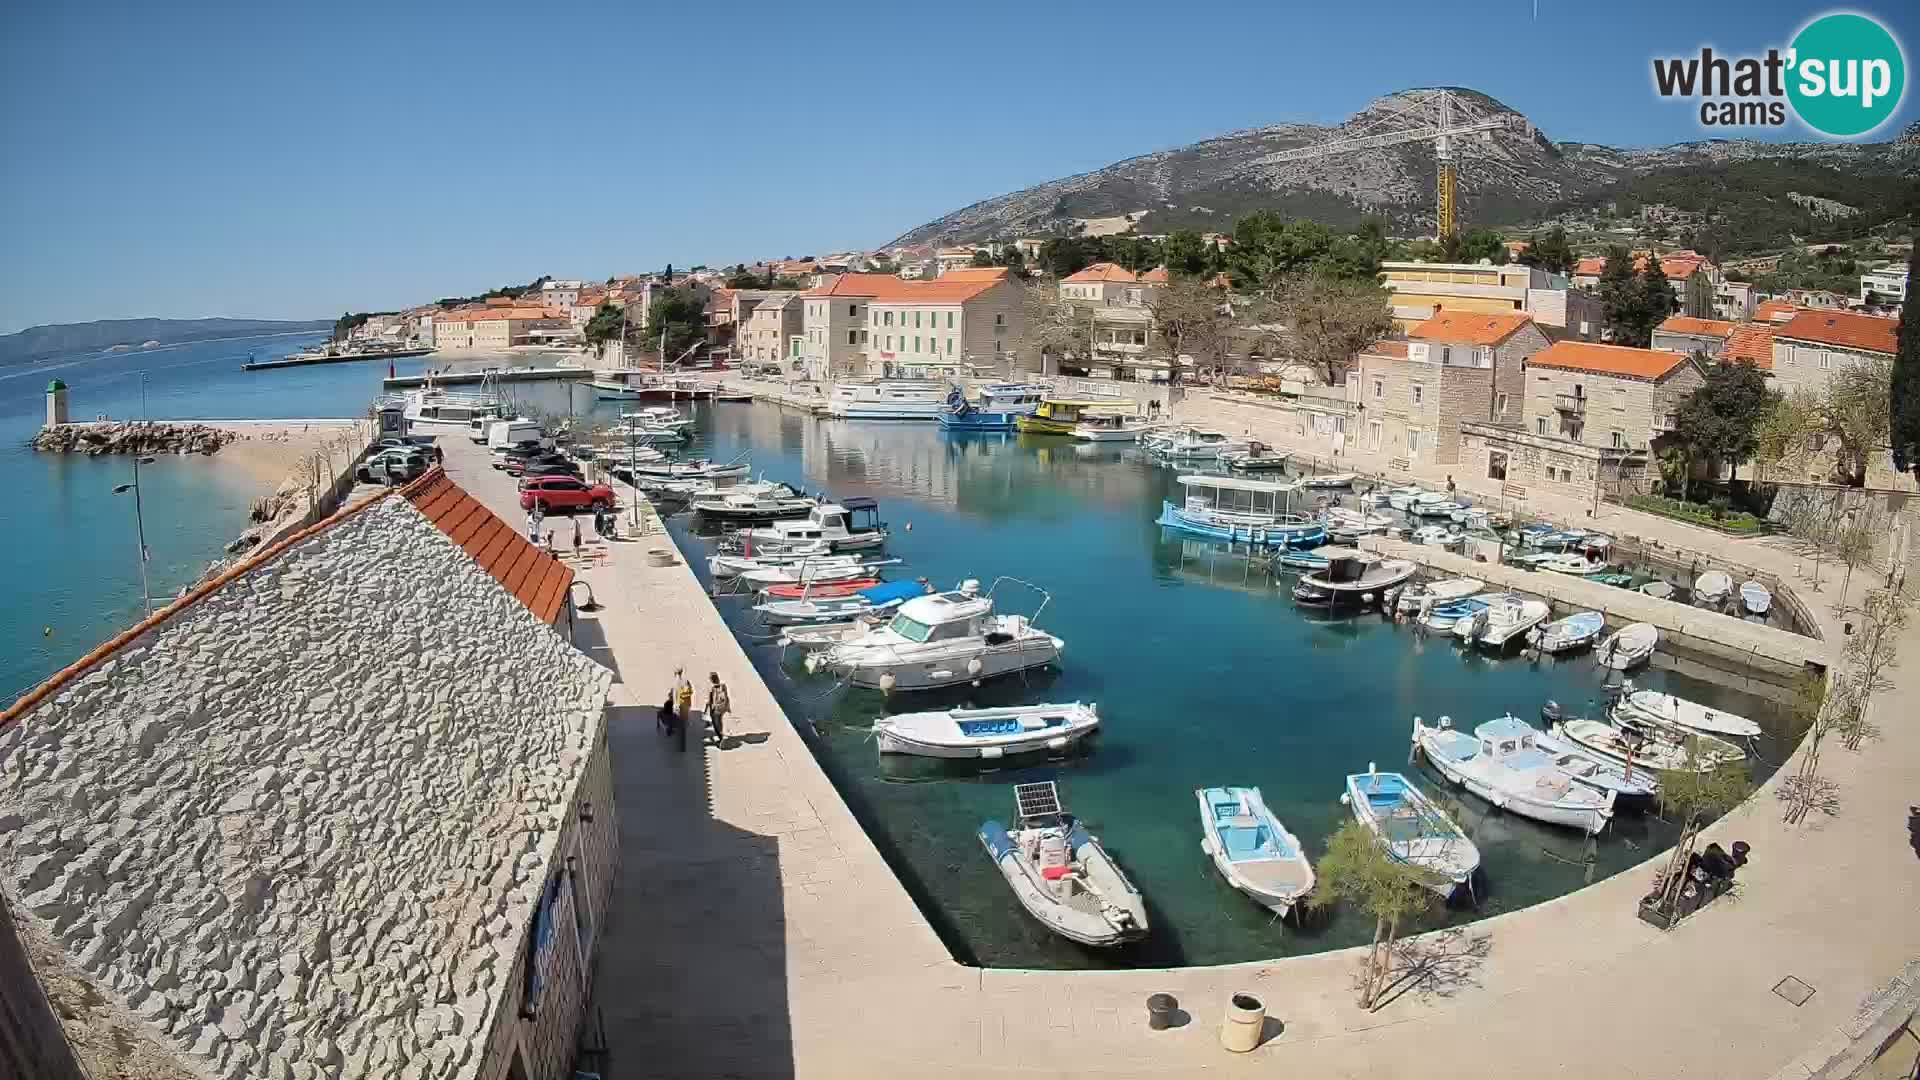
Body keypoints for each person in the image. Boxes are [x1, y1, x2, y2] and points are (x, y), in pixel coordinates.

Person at [705, 672, 731, 745]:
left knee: (715, 723)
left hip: (715, 708)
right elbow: (726, 696)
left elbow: (709, 701)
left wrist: (706, 709)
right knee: (719, 721)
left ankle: (721, 737)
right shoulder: (723, 686)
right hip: (722, 707)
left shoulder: (712, 688)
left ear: (711, 679)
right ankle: (721, 734)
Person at [674, 668, 694, 753]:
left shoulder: (682, 682)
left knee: (681, 726)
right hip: (682, 705)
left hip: (681, 706)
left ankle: (682, 746)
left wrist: (680, 697)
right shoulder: (680, 681)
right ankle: (681, 746)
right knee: (681, 726)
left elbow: (688, 692)